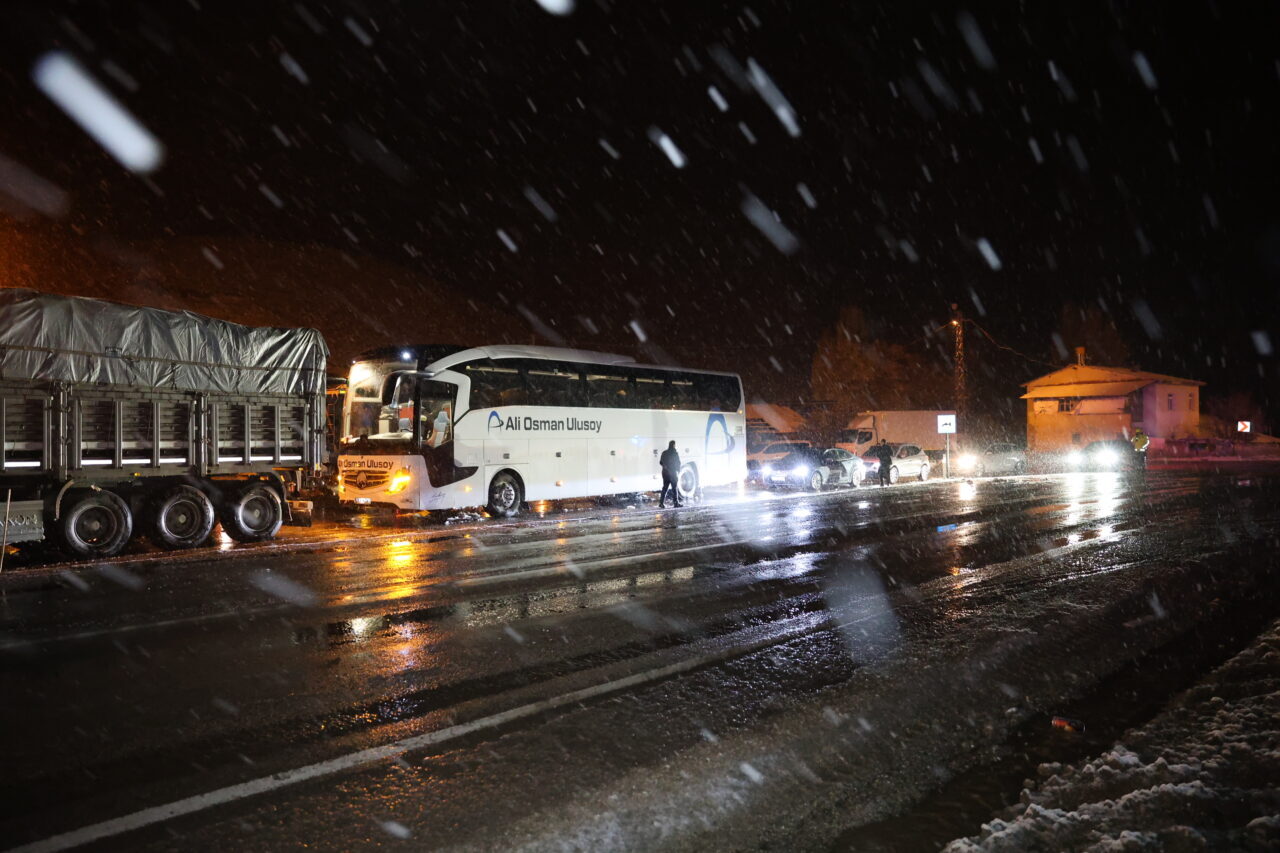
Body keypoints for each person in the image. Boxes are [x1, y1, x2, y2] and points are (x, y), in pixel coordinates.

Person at [659, 440, 682, 508]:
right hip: (672, 473)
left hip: (665, 473)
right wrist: (678, 471)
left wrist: (665, 467)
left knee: (665, 488)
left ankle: (661, 503)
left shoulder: (664, 453)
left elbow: (660, 462)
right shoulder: (675, 453)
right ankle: (676, 503)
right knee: (674, 488)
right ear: (674, 445)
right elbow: (678, 463)